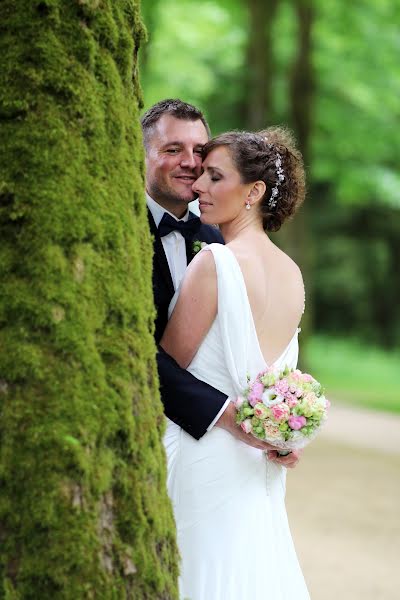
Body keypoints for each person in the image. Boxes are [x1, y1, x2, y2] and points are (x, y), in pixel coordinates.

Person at [160, 127, 310, 599]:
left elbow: (165, 368)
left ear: (254, 192)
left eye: (214, 176)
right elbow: (278, 383)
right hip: (255, 464)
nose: (199, 186)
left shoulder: (215, 264)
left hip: (202, 453)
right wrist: (283, 431)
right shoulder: (292, 274)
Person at [141, 99, 299, 465]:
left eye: (199, 151)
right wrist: (229, 416)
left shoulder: (219, 243)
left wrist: (279, 427)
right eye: (172, 149)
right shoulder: (115, 232)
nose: (190, 163)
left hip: (225, 450)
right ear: (142, 154)